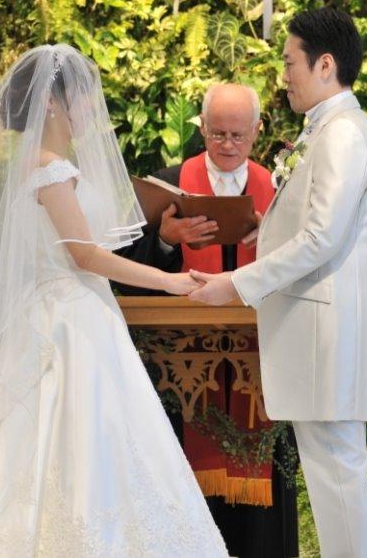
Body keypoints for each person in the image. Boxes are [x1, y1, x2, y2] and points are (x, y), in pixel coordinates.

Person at [0, 44, 227, 557]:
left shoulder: (52, 167)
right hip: (67, 322)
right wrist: (171, 282)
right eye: (82, 95)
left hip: (78, 313)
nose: (92, 105)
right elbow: (85, 256)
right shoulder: (49, 170)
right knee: (74, 435)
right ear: (51, 103)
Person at [189, 8, 367, 557]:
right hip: (319, 340)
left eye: (289, 63)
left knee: (339, 480)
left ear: (325, 65)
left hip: (326, 341)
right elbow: (317, 228)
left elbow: (323, 237)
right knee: (334, 480)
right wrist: (271, 230)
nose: (284, 76)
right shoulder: (328, 129)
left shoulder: (342, 134)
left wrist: (235, 282)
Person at [114, 84, 297, 558]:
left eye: (238, 135)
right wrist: (166, 240)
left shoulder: (284, 191)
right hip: (182, 371)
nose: (227, 144)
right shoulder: (169, 185)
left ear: (257, 131)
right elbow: (125, 273)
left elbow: (307, 265)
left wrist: (275, 239)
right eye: (217, 133)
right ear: (202, 127)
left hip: (261, 368)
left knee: (262, 517)